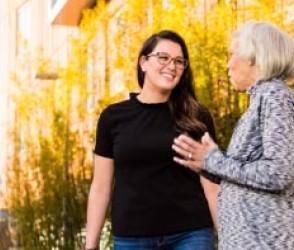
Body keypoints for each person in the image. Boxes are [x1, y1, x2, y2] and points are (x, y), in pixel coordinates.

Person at [172, 21, 294, 249]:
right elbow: (245, 174)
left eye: (232, 55)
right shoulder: (261, 100)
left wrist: (214, 160)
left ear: (253, 56)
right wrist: (206, 164)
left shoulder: (275, 97)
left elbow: (279, 172)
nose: (228, 65)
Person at [85, 30, 219, 250]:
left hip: (191, 235)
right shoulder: (113, 118)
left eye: (179, 61)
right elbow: (101, 187)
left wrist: (228, 236)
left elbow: (211, 185)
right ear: (143, 63)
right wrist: (91, 245)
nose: (172, 66)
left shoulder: (197, 117)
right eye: (163, 57)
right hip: (132, 238)